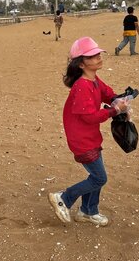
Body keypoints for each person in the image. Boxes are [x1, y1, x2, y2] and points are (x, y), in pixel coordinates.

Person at [48, 37, 130, 227]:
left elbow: (106, 92)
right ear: (82, 63)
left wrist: (119, 99)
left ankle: (88, 211)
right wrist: (114, 110)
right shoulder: (81, 86)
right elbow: (90, 117)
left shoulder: (92, 79)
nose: (98, 58)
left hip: (91, 137)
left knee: (96, 177)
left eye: (98, 54)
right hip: (81, 140)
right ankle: (64, 198)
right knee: (99, 177)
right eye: (92, 56)